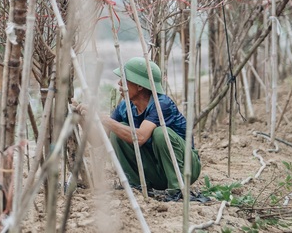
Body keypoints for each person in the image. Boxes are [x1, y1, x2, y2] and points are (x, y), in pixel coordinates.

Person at [79, 57, 201, 200]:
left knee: (161, 133)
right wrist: (83, 119)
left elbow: (140, 137)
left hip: (186, 169)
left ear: (140, 86)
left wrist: (103, 118)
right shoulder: (125, 106)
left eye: (124, 79)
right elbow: (98, 141)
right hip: (157, 171)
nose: (119, 83)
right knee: (118, 131)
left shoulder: (161, 104)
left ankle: (177, 189)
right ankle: (136, 185)